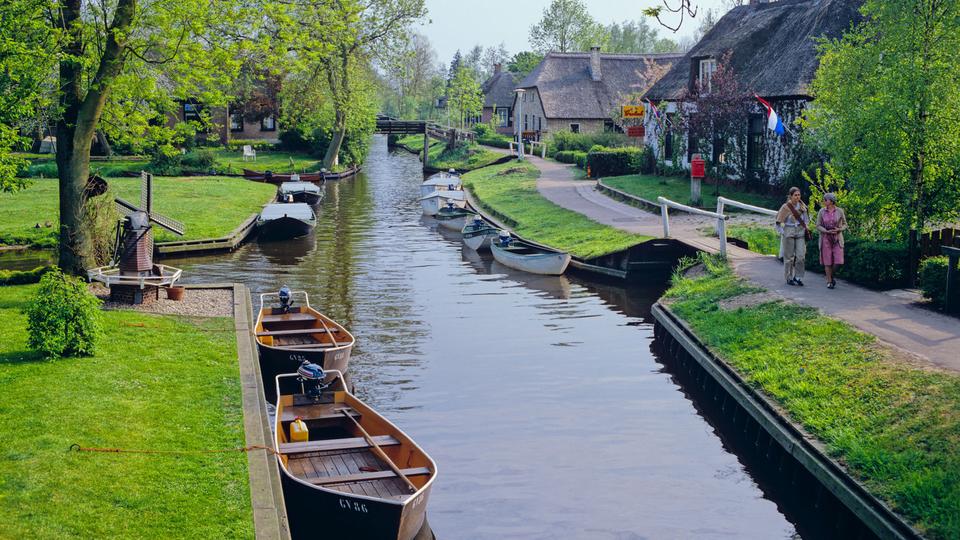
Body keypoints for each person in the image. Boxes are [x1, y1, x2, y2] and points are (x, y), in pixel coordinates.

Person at [775, 186, 809, 286]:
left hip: (800, 231)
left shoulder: (803, 206)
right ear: (790, 196)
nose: (797, 197)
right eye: (795, 195)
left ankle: (798, 277)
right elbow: (778, 222)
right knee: (789, 257)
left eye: (799, 195)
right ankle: (788, 277)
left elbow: (806, 219)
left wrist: (805, 227)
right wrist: (782, 232)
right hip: (789, 230)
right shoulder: (785, 207)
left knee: (801, 256)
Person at [816, 192, 847, 289]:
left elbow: (845, 224)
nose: (824, 201)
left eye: (826, 200)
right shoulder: (821, 211)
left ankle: (831, 275)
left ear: (831, 201)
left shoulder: (840, 211)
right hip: (826, 238)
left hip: (837, 237)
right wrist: (825, 231)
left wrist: (839, 229)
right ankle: (829, 281)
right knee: (827, 261)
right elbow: (818, 225)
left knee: (839, 261)